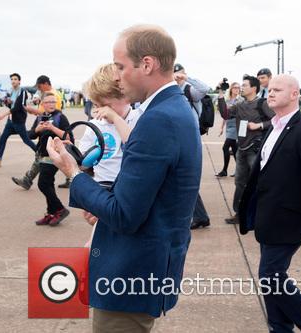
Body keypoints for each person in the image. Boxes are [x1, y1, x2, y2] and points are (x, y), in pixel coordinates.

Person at [47, 24, 201, 333]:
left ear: (147, 64)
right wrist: (99, 201)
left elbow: (124, 214)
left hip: (132, 274)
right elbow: (145, 189)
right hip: (147, 265)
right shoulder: (172, 109)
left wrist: (73, 174)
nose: (116, 76)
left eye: (119, 66)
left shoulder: (157, 120)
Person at [239, 74, 301, 333]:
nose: (270, 93)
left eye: (277, 90)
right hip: (268, 218)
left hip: (291, 219)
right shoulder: (273, 126)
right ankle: (279, 328)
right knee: (270, 279)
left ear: (294, 95)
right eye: (269, 90)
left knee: (270, 277)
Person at [80, 63, 144, 245]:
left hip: (129, 195)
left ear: (125, 96)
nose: (100, 110)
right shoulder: (95, 125)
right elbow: (84, 162)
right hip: (104, 193)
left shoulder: (141, 119)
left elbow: (135, 147)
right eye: (97, 105)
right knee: (95, 247)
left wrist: (116, 119)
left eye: (105, 105)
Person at [217, 75, 275, 224]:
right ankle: (240, 213)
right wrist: (221, 94)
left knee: (259, 182)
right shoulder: (240, 105)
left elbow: (275, 120)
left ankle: (262, 213)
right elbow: (225, 114)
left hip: (255, 149)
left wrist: (259, 125)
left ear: (254, 88)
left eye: (245, 85)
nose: (242, 88)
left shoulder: (262, 103)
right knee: (240, 182)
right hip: (241, 149)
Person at [173, 63, 211, 230]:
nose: (176, 77)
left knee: (186, 177)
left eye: (179, 73)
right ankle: (200, 216)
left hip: (190, 138)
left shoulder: (189, 90)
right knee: (179, 177)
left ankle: (200, 216)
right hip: (176, 136)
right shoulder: (171, 91)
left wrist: (186, 78)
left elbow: (205, 89)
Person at [11, 75, 63, 189]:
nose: (39, 89)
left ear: (45, 84)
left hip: (51, 132)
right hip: (45, 130)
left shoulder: (54, 96)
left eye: (39, 87)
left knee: (49, 159)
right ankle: (27, 180)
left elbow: (53, 115)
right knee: (41, 158)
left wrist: (34, 110)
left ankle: (73, 177)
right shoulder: (48, 95)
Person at [29, 92, 71, 226]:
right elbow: (30, 135)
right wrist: (38, 129)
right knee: (49, 184)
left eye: (54, 102)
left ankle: (60, 209)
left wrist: (52, 128)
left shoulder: (60, 117)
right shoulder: (40, 117)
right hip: (42, 155)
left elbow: (69, 137)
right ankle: (51, 213)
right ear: (42, 104)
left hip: (55, 155)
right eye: (48, 102)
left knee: (43, 184)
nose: (52, 104)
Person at [0, 73, 37, 168]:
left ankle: (40, 154)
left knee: (26, 140)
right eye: (12, 79)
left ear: (19, 81)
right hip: (10, 121)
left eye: (15, 79)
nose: (13, 81)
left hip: (18, 121)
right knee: (3, 138)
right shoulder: (12, 91)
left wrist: (3, 115)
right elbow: (12, 106)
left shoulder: (22, 92)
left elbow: (18, 107)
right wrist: (8, 103)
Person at [216, 82, 241, 177]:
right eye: (235, 87)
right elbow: (225, 115)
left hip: (236, 126)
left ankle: (224, 170)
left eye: (238, 88)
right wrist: (222, 127)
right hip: (229, 126)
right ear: (231, 89)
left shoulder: (241, 100)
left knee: (225, 147)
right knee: (234, 149)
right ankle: (239, 170)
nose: (236, 89)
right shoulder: (228, 100)